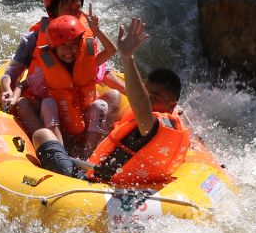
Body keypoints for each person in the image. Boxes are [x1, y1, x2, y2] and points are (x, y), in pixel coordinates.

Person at [31, 17, 191, 183]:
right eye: (145, 93)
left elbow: (140, 103)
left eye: (154, 97)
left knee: (42, 135)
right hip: (118, 178)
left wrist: (127, 57)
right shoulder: (174, 126)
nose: (147, 98)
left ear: (172, 105)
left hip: (91, 180)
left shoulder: (151, 124)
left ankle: (67, 169)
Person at [0, 0, 122, 134]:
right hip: (46, 105)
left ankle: (98, 144)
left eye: (77, 8)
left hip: (80, 105)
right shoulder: (34, 38)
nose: (74, 13)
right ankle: (50, 144)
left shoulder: (84, 37)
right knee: (24, 104)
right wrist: (7, 89)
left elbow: (98, 66)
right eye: (67, 8)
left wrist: (129, 91)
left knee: (114, 97)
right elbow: (13, 73)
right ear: (52, 11)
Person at [28, 11, 117, 155]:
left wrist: (97, 31)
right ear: (53, 47)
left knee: (101, 105)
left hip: (85, 120)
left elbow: (111, 50)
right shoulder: (46, 68)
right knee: (48, 103)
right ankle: (60, 153)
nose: (69, 50)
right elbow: (33, 92)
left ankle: (88, 154)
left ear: (80, 44)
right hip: (60, 124)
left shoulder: (88, 62)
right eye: (63, 45)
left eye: (74, 44)